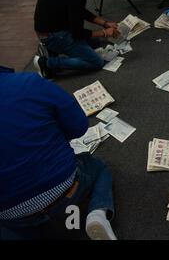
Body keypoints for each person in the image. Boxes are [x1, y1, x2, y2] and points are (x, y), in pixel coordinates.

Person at [0, 66, 117, 240]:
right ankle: (97, 213)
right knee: (99, 167)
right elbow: (79, 126)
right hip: (63, 188)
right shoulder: (29, 82)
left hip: (9, 212)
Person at [33, 0, 119, 79]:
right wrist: (104, 32)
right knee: (96, 62)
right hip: (52, 34)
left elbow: (79, 10)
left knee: (94, 43)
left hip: (54, 26)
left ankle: (52, 50)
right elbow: (77, 32)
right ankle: (46, 63)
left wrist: (105, 23)